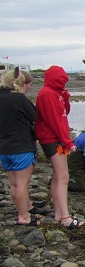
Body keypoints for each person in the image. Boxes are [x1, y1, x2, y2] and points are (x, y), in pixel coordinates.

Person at [35, 65, 83, 229]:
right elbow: (54, 121)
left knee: (58, 176)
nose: (64, 82)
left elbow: (64, 113)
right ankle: (65, 217)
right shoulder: (47, 94)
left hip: (58, 139)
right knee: (63, 177)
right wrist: (68, 142)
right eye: (61, 80)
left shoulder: (57, 93)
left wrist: (66, 97)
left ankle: (58, 213)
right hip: (51, 139)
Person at [0, 68, 42, 226]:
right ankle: (24, 217)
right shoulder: (18, 98)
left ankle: (23, 211)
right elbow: (33, 115)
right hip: (21, 147)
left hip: (4, 148)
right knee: (22, 184)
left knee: (13, 183)